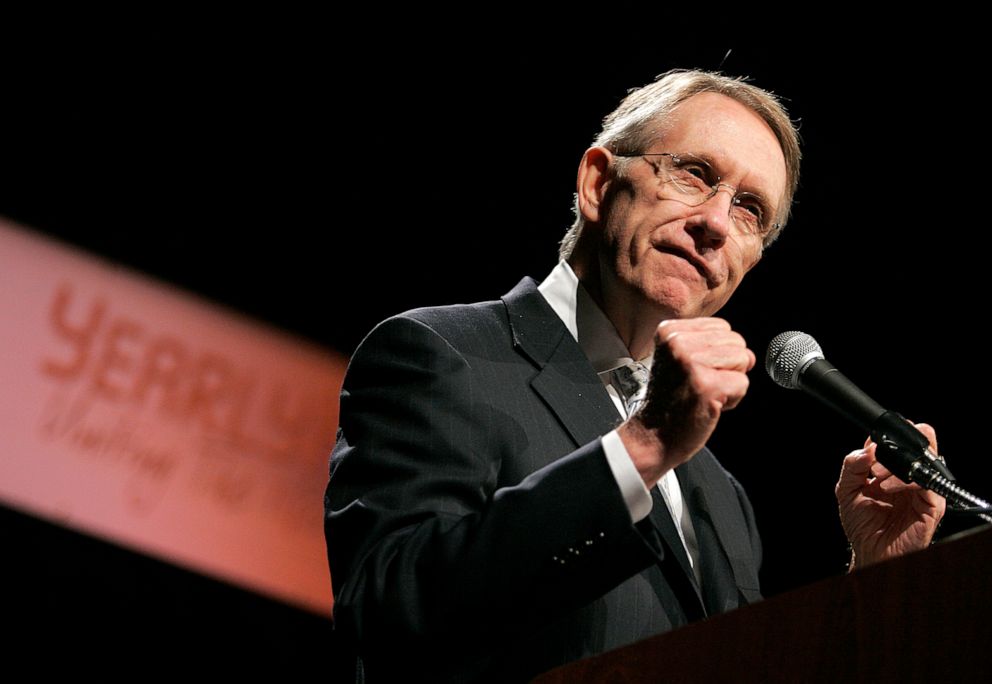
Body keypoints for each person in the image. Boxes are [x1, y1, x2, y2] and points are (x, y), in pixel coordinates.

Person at [323, 69, 946, 683]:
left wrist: (874, 579)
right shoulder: (441, 354)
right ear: (597, 183)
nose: (717, 224)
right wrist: (642, 447)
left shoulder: (719, 495)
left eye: (750, 209)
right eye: (695, 173)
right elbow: (387, 610)